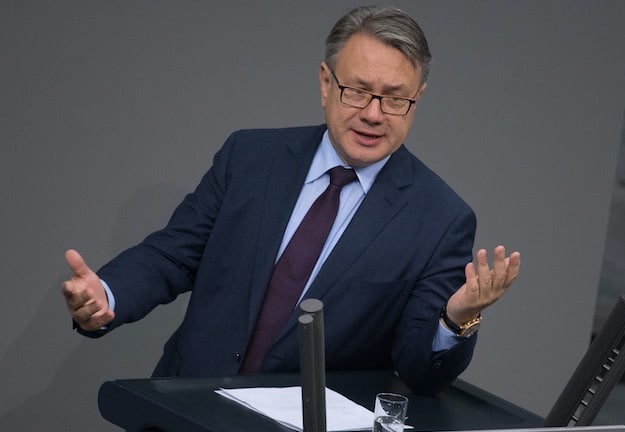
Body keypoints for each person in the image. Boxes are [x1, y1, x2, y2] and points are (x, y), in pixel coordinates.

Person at [61, 5, 520, 396]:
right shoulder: (249, 157)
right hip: (186, 404)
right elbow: (172, 255)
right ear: (325, 82)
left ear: (418, 99)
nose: (373, 114)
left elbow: (419, 371)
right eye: (357, 91)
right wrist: (107, 293)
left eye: (395, 99)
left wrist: (455, 319)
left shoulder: (439, 219)